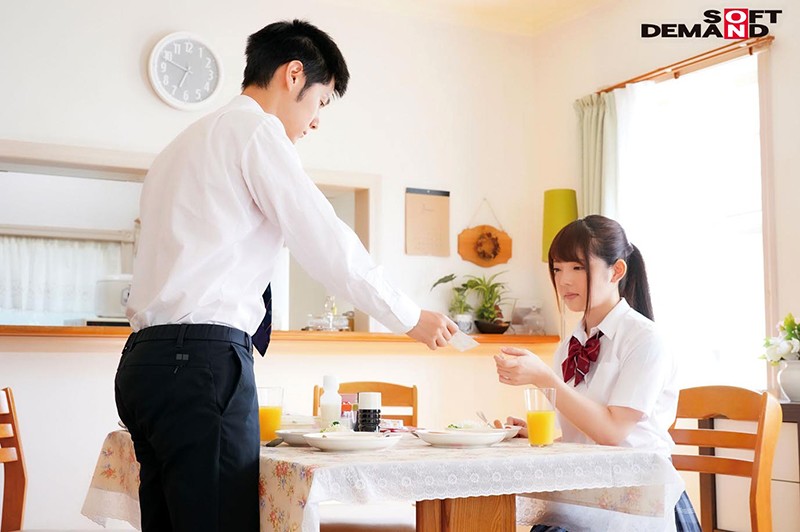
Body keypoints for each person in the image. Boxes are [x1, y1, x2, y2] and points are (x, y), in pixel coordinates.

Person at [115, 19, 457, 532]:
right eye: (321, 101)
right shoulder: (256, 132)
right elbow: (324, 240)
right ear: (293, 75)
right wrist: (409, 315)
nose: (316, 121)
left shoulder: (180, 146)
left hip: (143, 364)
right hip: (203, 365)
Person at [493, 215, 699, 532]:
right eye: (557, 269)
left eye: (577, 267)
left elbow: (613, 433)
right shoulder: (570, 345)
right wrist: (538, 435)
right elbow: (586, 439)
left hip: (639, 502)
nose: (564, 280)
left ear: (616, 271)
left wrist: (543, 377)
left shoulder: (645, 340)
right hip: (586, 495)